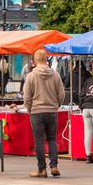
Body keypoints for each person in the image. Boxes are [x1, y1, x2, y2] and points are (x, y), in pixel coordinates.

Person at [23, 48, 64, 178]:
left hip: (36, 111)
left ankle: (41, 169)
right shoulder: (55, 74)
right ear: (47, 59)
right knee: (52, 139)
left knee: (39, 141)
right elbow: (61, 94)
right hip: (52, 111)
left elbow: (27, 97)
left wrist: (29, 109)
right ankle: (54, 166)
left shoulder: (31, 76)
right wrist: (56, 105)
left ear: (35, 61)